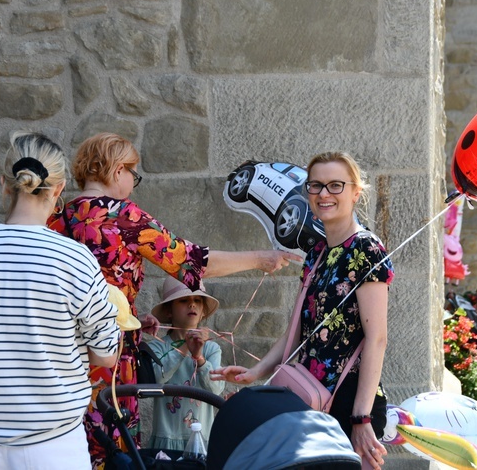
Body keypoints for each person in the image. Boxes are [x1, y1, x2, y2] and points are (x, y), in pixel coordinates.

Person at [47, 132, 300, 468]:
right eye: (132, 175)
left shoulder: (56, 218)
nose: (132, 184)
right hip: (107, 356)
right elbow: (191, 261)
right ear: (116, 169)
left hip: (58, 355)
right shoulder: (124, 216)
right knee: (111, 451)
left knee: (66, 446)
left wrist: (135, 316)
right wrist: (259, 257)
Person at [0, 132, 121, 470]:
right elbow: (106, 354)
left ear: (5, 184)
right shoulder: (75, 260)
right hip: (55, 447)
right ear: (58, 190)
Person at [211, 151, 394, 470]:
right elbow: (298, 330)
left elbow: (377, 338)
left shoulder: (366, 249)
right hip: (309, 397)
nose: (324, 194)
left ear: (355, 192)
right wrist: (257, 372)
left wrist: (361, 418)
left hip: (349, 402)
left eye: (336, 185)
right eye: (316, 185)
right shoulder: (317, 253)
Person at [145, 276, 224, 452]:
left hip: (201, 440)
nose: (192, 304)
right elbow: (156, 378)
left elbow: (216, 389)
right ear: (169, 311)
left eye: (197, 300)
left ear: (203, 311)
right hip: (166, 439)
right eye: (183, 300)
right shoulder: (156, 345)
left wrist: (200, 358)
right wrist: (184, 349)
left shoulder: (211, 348)